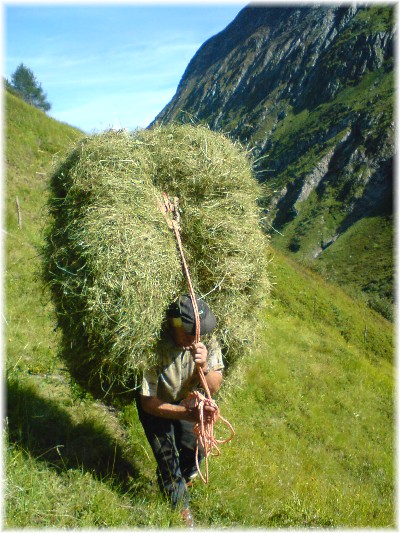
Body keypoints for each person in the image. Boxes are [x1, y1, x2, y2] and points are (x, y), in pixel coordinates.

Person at [136, 294, 224, 527]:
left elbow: (214, 385)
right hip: (157, 406)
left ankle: (182, 480)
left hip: (186, 400)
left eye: (199, 332)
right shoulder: (153, 347)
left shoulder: (206, 339)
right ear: (173, 324)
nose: (195, 338)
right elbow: (148, 403)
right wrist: (185, 414)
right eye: (188, 332)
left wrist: (204, 367)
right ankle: (180, 510)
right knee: (168, 461)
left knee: (197, 449)